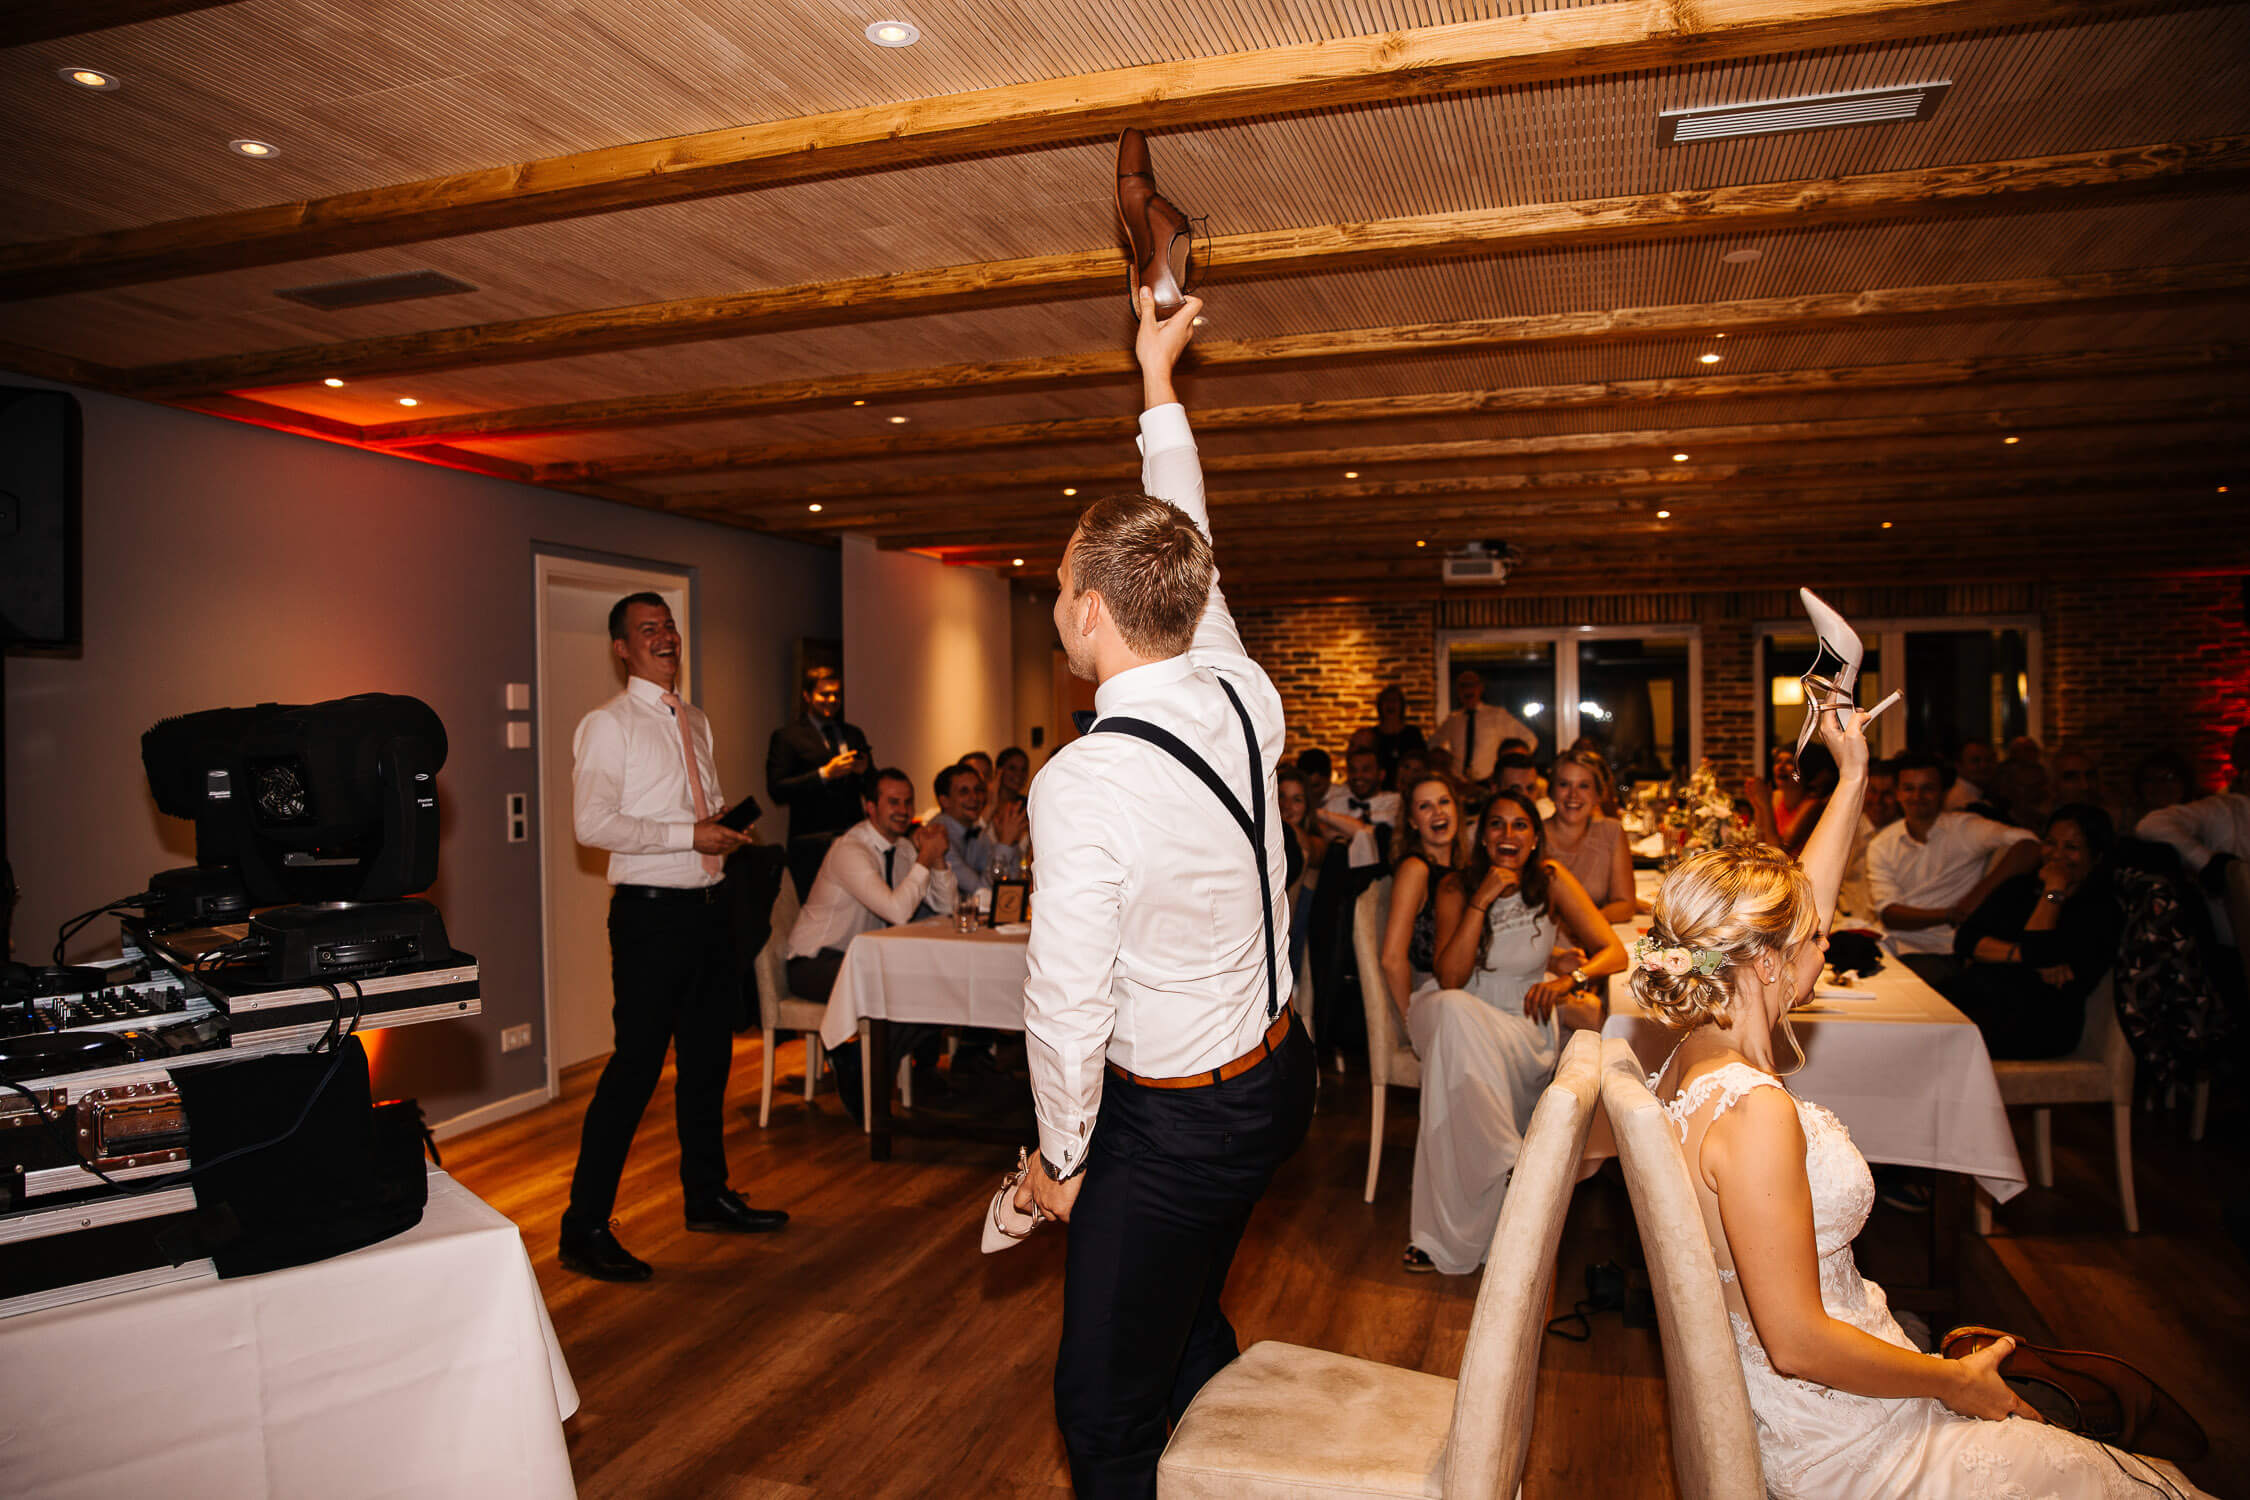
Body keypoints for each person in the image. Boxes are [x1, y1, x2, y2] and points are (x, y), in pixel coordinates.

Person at [1635, 706, 2208, 1498]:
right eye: (1811, 938)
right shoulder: (1753, 1111)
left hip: (1822, 1395)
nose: (1827, 938)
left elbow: (1805, 899)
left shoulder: (1690, 1054)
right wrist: (1952, 1383)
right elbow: (1797, 1341)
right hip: (1842, 1430)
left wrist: (1853, 773)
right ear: (1764, 963)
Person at [1013, 289, 1314, 1499]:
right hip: (1274, 1081)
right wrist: (1157, 378)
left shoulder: (1082, 781)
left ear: (1088, 612)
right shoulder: (1243, 691)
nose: (1053, 602)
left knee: (1099, 1409)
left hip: (1179, 1124)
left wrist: (1061, 1159)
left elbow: (1065, 999)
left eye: (1055, 586)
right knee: (1184, 1325)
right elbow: (1188, 536)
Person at [560, 593, 785, 1282]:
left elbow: (688, 811)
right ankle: (584, 1227)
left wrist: (713, 828)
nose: (665, 637)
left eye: (669, 626)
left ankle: (707, 1195)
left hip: (708, 910)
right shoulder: (607, 725)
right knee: (634, 1071)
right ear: (622, 648)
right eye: (647, 630)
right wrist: (688, 834)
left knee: (709, 1062)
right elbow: (591, 825)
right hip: (651, 918)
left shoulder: (696, 721)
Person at [1403, 789, 1626, 1274]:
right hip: (1453, 1012)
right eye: (1497, 825)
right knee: (1453, 1012)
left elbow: (1615, 952)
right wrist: (1480, 902)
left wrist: (1570, 981)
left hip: (1521, 1026)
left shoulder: (1550, 880)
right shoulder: (1456, 888)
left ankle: (1468, 1218)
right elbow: (1451, 979)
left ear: (1534, 837)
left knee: (1455, 1082)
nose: (1508, 834)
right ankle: (1512, 1158)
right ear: (1482, 837)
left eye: (1520, 825)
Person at [788, 767, 957, 1119]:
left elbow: (947, 907)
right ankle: (861, 1069)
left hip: (864, 961)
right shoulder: (851, 849)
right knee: (902, 989)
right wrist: (925, 857)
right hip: (815, 963)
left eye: (908, 801)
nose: (903, 809)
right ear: (870, 807)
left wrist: (937, 860)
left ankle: (862, 1065)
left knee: (937, 990)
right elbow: (897, 911)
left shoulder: (904, 849)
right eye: (893, 801)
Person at [1947, 804, 2124, 1058]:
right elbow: (1965, 940)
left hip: (2041, 1021)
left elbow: (2038, 950)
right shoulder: (2019, 887)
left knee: (1946, 1034)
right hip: (1984, 996)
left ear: (2096, 857)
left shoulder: (2101, 910)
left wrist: (2053, 890)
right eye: (2051, 843)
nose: (2057, 855)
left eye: (2072, 848)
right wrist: (2022, 955)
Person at [1866, 750, 2041, 989]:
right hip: (1892, 946)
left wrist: (1977, 895)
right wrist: (1949, 914)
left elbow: (2030, 844)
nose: (1918, 796)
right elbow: (1890, 915)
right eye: (1909, 788)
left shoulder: (1966, 828)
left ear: (1943, 792)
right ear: (1897, 793)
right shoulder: (1882, 844)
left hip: (1945, 952)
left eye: (1927, 788)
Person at [766, 666, 874, 900]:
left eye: (836, 694)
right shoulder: (787, 737)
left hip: (852, 837)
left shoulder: (853, 734)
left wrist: (864, 772)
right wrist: (824, 774)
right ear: (807, 695)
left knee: (857, 905)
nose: (832, 700)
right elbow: (777, 789)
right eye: (824, 694)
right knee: (817, 912)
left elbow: (874, 788)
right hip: (810, 843)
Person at [1375, 774, 1464, 1030]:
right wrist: (1410, 1023)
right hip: (1437, 996)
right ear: (1413, 822)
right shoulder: (1415, 869)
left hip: (1471, 989)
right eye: (1425, 806)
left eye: (1444, 802)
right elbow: (1391, 959)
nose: (1438, 812)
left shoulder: (1465, 869)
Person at [1543, 748, 1635, 924]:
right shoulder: (1532, 836)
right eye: (1564, 784)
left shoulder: (1611, 832)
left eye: (1583, 786)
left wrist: (1585, 927)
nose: (1573, 795)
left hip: (1594, 939)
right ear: (1551, 791)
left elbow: (1625, 905)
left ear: (1597, 795)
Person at [928, 759, 1029, 903]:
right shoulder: (937, 835)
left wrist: (1010, 842)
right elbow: (982, 893)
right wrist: (1005, 843)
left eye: (978, 790)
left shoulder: (975, 831)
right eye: (964, 792)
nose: (974, 797)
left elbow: (1010, 887)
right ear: (945, 801)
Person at [1432, 668, 1535, 786]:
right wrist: (1445, 764)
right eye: (1463, 686)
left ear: (1480, 688)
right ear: (1458, 691)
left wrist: (1509, 765)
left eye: (1472, 685)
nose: (1467, 689)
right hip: (1459, 785)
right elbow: (1433, 744)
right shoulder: (1453, 719)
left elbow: (1529, 739)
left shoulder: (1497, 715)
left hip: (1488, 784)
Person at [1318, 745, 1399, 872]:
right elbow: (1320, 832)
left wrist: (1346, 828)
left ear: (1381, 775)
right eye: (1352, 770)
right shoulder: (1337, 801)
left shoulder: (1395, 801)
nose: (1358, 776)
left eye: (1365, 770)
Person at [1366, 685, 1427, 789]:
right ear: (1380, 706)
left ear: (1402, 706)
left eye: (1394, 700)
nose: (1390, 704)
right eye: (1386, 700)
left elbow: (1423, 764)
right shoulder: (1372, 735)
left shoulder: (1413, 733)